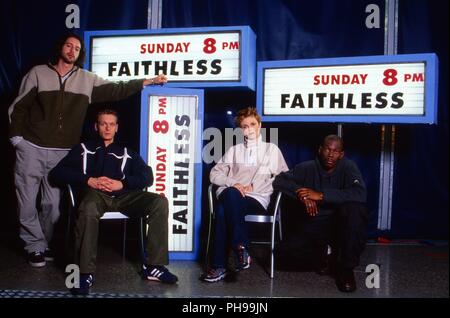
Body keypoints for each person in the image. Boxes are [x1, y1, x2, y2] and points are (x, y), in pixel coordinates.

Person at [8, 32, 167, 267]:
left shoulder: (87, 79)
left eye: (77, 48)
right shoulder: (38, 73)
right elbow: (18, 107)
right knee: (27, 202)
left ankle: (44, 243)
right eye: (68, 45)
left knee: (52, 207)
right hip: (31, 147)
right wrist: (17, 140)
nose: (72, 50)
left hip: (62, 152)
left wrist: (148, 81)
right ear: (60, 47)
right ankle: (35, 247)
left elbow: (117, 89)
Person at [50, 109, 178, 295]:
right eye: (103, 123)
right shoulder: (83, 149)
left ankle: (154, 267)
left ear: (117, 128)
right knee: (89, 207)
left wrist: (123, 183)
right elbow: (57, 173)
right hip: (95, 196)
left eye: (111, 124)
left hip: (124, 196)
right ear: (96, 126)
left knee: (159, 202)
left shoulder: (128, 153)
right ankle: (85, 273)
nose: (107, 127)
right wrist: (88, 180)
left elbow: (147, 176)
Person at [203, 107, 289, 283]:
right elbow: (214, 174)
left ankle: (219, 266)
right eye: (244, 126)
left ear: (260, 125)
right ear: (240, 129)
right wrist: (233, 183)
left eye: (252, 124)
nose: (249, 129)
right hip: (231, 195)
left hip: (256, 198)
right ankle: (241, 247)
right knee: (230, 196)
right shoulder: (234, 150)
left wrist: (256, 185)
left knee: (221, 211)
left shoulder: (271, 149)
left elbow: (285, 178)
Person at [273, 134, 367, 293]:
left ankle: (346, 269)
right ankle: (324, 255)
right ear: (320, 150)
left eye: (336, 151)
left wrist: (321, 195)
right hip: (317, 224)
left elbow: (360, 194)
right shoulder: (307, 167)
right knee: (284, 254)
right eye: (327, 150)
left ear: (341, 154)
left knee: (355, 209)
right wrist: (300, 194)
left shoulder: (348, 167)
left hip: (341, 223)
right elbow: (280, 180)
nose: (331, 154)